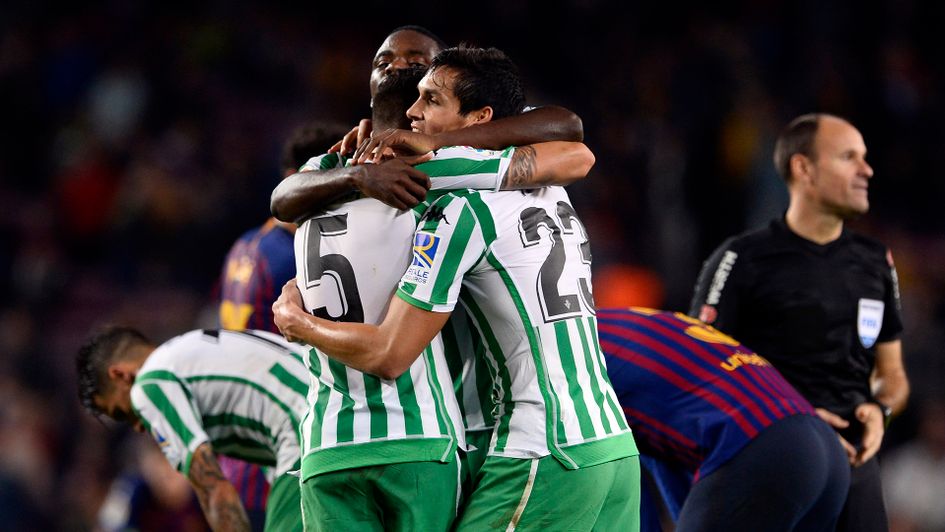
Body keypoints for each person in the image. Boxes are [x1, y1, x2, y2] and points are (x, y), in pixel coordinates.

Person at [273, 46, 639, 531]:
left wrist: (300, 323)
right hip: (612, 444)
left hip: (539, 448)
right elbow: (577, 146)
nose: (412, 113)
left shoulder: (458, 202)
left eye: (430, 99)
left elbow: (389, 352)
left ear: (478, 117)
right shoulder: (549, 184)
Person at [689, 113, 910, 532]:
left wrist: (879, 410)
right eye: (849, 157)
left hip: (856, 470)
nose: (867, 170)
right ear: (803, 167)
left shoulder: (875, 261)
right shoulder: (740, 259)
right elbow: (699, 370)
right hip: (771, 462)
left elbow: (893, 374)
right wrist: (793, 415)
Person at [597, 307, 849, 531]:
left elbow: (615, 482)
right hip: (821, 445)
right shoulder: (614, 324)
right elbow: (662, 447)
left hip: (759, 448)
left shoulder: (570, 358)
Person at [217, 121, 347, 530]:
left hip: (240, 444)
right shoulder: (298, 254)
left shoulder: (244, 245)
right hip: (279, 447)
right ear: (298, 180)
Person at [76, 326, 309, 532]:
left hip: (303, 434)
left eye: (122, 412)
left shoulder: (149, 384)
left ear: (121, 376)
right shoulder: (192, 351)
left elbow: (214, 489)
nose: (137, 427)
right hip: (333, 416)